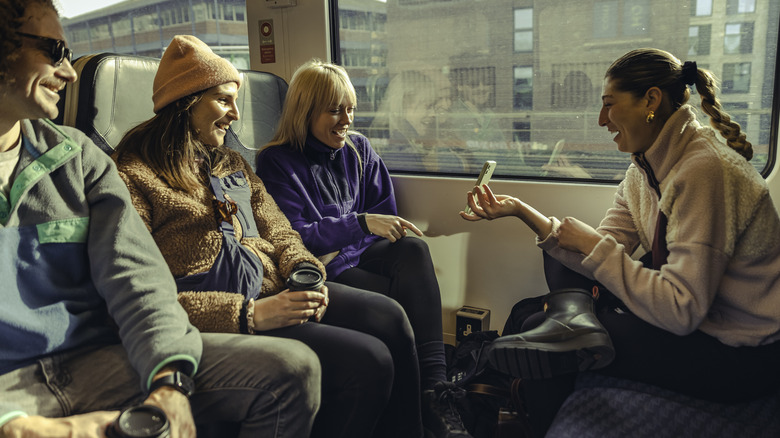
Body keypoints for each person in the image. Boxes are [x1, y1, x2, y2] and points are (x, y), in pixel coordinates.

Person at [0, 2, 320, 438]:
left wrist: (169, 378)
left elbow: (139, 279)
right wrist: (11, 424)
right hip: (8, 387)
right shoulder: (134, 170)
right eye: (55, 50)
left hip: (96, 361)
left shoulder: (77, 159)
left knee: (292, 370)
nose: (71, 73)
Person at [461, 48, 780, 437]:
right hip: (701, 322)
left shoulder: (704, 171)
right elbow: (598, 248)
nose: (601, 120)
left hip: (740, 352)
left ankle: (559, 344)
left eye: (609, 105)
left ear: (651, 100)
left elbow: (682, 310)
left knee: (544, 332)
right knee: (557, 277)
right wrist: (521, 211)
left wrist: (594, 247)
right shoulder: (644, 170)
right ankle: (570, 323)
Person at [112, 35, 419, 438]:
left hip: (275, 288)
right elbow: (138, 298)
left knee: (390, 318)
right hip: (228, 309)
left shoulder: (231, 163)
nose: (235, 115)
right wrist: (251, 313)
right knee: (369, 361)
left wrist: (305, 274)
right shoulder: (134, 176)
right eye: (224, 100)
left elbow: (280, 230)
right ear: (186, 101)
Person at [256, 59, 472, 438]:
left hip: (348, 256)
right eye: (334, 110)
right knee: (392, 306)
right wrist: (356, 226)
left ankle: (435, 392)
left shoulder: (359, 150)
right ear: (306, 111)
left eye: (350, 108)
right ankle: (415, 421)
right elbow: (295, 236)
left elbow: (384, 221)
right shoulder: (277, 161)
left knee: (413, 251)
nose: (346, 120)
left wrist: (352, 239)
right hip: (320, 267)